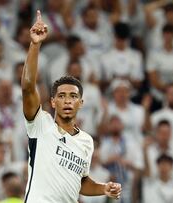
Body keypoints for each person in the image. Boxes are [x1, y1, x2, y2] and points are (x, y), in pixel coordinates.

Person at [21, 10, 121, 202]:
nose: (67, 100)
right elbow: (27, 87)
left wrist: (103, 188)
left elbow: (81, 182)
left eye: (73, 96)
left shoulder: (86, 142)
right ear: (52, 101)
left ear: (80, 103)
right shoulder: (41, 124)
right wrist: (35, 44)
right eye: (62, 96)